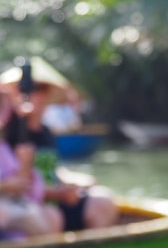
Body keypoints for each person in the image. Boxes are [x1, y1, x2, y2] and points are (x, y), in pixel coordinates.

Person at [2, 61, 119, 231]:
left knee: (103, 202)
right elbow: (19, 183)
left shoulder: (46, 132)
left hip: (55, 197)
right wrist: (56, 193)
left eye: (39, 88)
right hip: (34, 202)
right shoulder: (11, 133)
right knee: (51, 216)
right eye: (29, 88)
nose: (33, 94)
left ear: (48, 94)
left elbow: (50, 170)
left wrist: (73, 182)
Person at [0, 89, 61, 238]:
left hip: (14, 211)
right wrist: (5, 186)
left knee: (47, 215)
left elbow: (27, 191)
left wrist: (25, 165)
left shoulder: (4, 149)